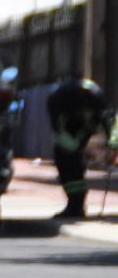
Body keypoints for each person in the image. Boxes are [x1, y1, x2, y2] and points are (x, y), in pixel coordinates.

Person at [46, 76, 118, 219]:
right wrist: (75, 147)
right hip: (67, 130)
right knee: (66, 161)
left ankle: (77, 203)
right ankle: (74, 202)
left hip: (84, 127)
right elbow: (60, 131)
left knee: (74, 163)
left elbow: (110, 120)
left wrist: (114, 144)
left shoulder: (95, 98)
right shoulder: (57, 102)